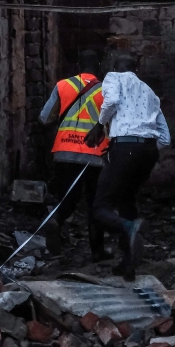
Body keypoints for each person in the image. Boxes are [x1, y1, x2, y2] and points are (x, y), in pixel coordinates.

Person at [86, 54, 171, 281]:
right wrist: (142, 148)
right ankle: (128, 264)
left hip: (125, 149)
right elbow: (165, 138)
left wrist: (100, 125)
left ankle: (128, 228)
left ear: (115, 68)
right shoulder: (150, 92)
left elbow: (111, 102)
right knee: (127, 202)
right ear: (137, 69)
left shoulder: (113, 78)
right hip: (148, 152)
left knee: (100, 208)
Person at [38, 49, 112, 260]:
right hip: (94, 154)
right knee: (95, 204)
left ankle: (57, 220)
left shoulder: (63, 85)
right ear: (98, 67)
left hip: (63, 152)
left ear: (78, 67)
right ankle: (97, 251)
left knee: (68, 199)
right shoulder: (107, 91)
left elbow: (44, 118)